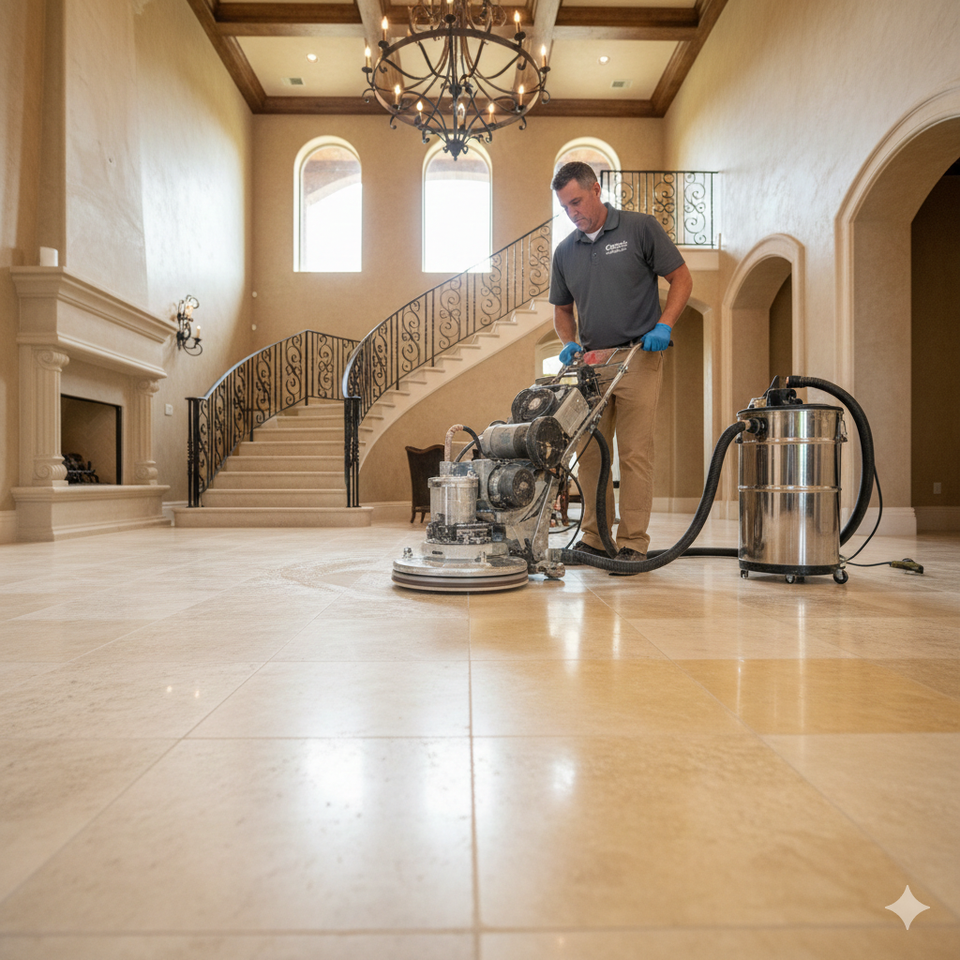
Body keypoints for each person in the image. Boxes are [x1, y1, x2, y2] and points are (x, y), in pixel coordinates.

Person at [549, 161, 693, 570]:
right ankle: (595, 540)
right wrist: (570, 342)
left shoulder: (639, 228)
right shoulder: (565, 252)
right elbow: (562, 310)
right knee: (591, 454)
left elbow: (681, 279)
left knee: (634, 454)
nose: (573, 212)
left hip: (639, 357)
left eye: (577, 201)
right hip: (592, 365)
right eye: (565, 207)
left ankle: (633, 544)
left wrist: (664, 325)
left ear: (596, 189)